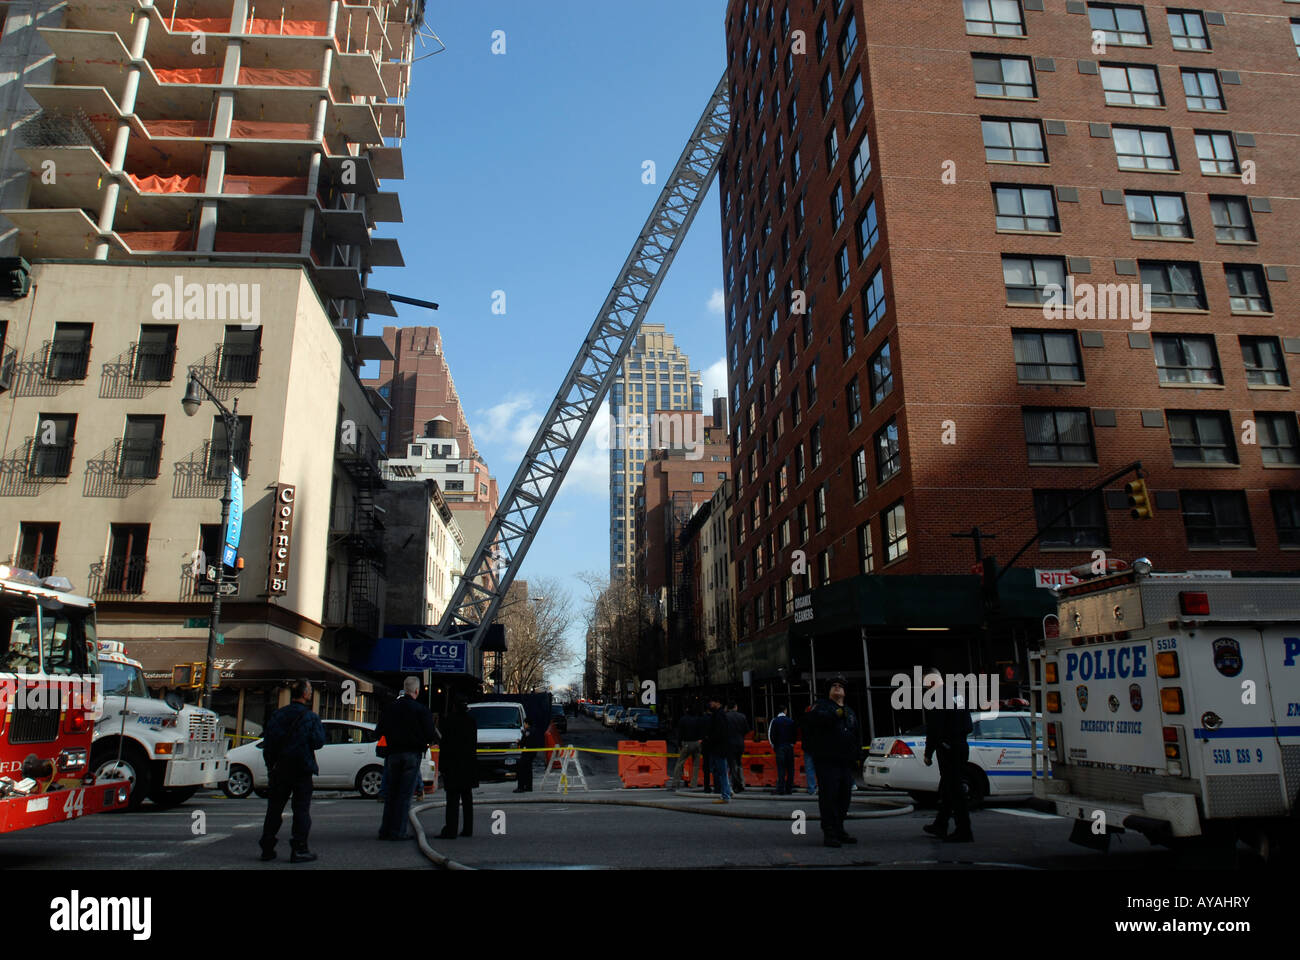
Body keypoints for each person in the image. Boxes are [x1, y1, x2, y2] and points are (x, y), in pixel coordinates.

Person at [258, 679, 326, 863]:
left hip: (280, 768)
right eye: (309, 690)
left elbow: (268, 743)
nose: (310, 693)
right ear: (305, 694)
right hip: (302, 768)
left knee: (274, 809)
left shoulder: (278, 715)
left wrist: (271, 765)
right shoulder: (311, 717)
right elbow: (318, 742)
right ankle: (299, 848)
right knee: (301, 810)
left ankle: (267, 846)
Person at [375, 676, 438, 841]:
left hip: (392, 754)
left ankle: (385, 829)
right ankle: (398, 831)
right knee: (404, 795)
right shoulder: (421, 710)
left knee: (391, 793)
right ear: (416, 691)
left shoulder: (390, 708)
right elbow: (431, 734)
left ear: (404, 689)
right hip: (412, 754)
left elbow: (379, 731)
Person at [805, 676, 861, 848]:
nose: (837, 688)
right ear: (828, 691)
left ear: (845, 691)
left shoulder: (850, 712)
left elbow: (855, 734)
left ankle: (839, 829)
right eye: (833, 686)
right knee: (829, 797)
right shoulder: (821, 706)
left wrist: (857, 756)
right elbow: (813, 720)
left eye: (840, 686)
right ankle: (829, 832)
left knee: (844, 796)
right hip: (827, 760)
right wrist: (834, 714)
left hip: (845, 761)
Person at [923, 667, 974, 843]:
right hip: (961, 745)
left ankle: (964, 830)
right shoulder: (957, 695)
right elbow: (969, 724)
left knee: (954, 788)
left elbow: (934, 729)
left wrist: (928, 752)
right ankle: (941, 823)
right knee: (948, 787)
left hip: (948, 748)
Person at [437, 695, 478, 839]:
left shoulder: (449, 722)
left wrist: (442, 766)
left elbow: (445, 745)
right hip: (468, 764)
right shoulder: (472, 722)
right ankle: (468, 829)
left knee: (452, 799)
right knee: (467, 798)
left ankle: (451, 829)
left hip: (452, 764)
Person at [669, 704, 705, 791]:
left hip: (686, 743)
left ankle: (675, 783)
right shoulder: (698, 719)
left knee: (680, 763)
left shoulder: (683, 720)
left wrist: (679, 744)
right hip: (697, 743)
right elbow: (702, 731)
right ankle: (693, 783)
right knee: (696, 765)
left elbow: (680, 733)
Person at [704, 696, 732, 804]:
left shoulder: (718, 715)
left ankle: (725, 795)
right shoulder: (721, 714)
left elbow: (718, 733)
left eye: (712, 701)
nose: (710, 704)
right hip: (722, 747)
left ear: (717, 702)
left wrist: (709, 739)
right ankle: (728, 792)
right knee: (723, 771)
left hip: (719, 748)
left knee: (722, 772)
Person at [768, 705, 796, 795]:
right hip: (789, 746)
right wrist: (792, 744)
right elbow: (794, 734)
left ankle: (781, 788)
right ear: (785, 711)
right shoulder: (791, 721)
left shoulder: (774, 721)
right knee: (790, 768)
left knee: (781, 768)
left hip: (779, 747)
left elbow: (771, 735)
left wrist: (774, 746)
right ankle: (789, 788)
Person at [725, 701, 748, 793]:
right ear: (735, 707)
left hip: (729, 743)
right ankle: (741, 783)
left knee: (731, 764)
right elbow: (746, 730)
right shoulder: (742, 716)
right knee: (739, 763)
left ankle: (735, 784)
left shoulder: (725, 717)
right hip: (740, 742)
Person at [799, 704, 818, 795]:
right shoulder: (819, 718)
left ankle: (811, 788)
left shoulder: (804, 719)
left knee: (809, 768)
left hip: (807, 747)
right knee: (820, 768)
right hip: (817, 747)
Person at [514, 718, 534, 793]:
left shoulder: (527, 732)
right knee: (528, 771)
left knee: (521, 770)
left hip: (526, 753)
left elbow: (524, 742)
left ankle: (520, 787)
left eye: (525, 724)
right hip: (531, 754)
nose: (524, 725)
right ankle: (529, 786)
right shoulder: (533, 731)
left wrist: (519, 742)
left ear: (527, 724)